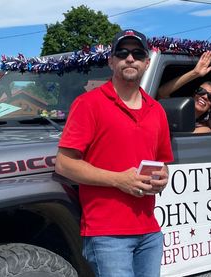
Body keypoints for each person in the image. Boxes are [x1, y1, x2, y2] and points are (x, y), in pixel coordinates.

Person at [55, 29, 173, 277]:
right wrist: (119, 180)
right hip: (107, 234)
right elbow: (64, 164)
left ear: (146, 62)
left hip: (150, 232)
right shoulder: (89, 104)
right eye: (122, 53)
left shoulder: (157, 111)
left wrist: (163, 176)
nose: (130, 59)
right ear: (111, 61)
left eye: (138, 53)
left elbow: (162, 163)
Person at [157, 50, 211, 133]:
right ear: (194, 94)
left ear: (210, 107)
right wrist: (195, 73)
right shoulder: (174, 115)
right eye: (201, 91)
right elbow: (161, 93)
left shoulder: (205, 129)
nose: (205, 96)